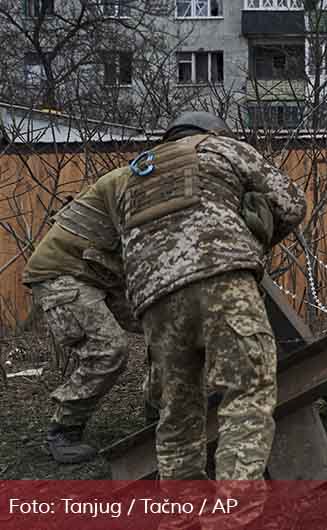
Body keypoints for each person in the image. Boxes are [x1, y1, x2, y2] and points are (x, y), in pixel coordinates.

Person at [116, 111, 306, 480]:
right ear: (217, 132)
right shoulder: (220, 148)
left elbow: (122, 245)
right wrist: (255, 240)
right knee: (246, 396)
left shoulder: (134, 175)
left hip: (153, 298)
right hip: (222, 278)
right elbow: (291, 203)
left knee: (176, 416)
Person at [22, 168, 158, 464]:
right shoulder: (136, 180)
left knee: (165, 327)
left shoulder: (157, 178)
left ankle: (160, 410)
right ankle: (63, 430)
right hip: (63, 273)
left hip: (100, 274)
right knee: (107, 350)